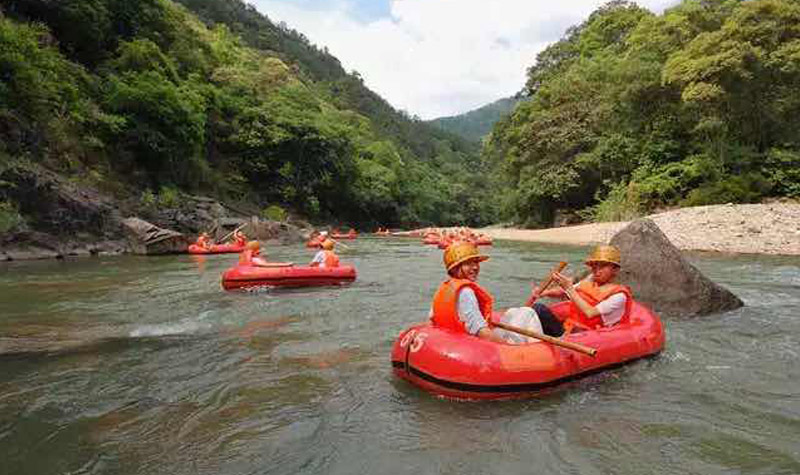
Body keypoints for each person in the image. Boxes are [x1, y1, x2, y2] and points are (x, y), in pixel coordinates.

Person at [429, 241, 551, 344]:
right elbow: (482, 333)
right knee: (528, 312)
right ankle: (538, 352)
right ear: (455, 268)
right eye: (468, 264)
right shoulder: (466, 292)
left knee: (514, 312)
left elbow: (433, 319)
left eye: (476, 262)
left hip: (457, 340)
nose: (475, 267)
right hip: (475, 346)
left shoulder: (447, 287)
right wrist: (511, 348)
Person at [531, 244, 632, 332]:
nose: (597, 270)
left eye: (603, 266)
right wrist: (545, 293)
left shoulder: (619, 296)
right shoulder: (587, 283)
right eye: (594, 266)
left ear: (615, 270)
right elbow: (564, 293)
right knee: (538, 309)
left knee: (539, 309)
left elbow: (590, 312)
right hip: (570, 328)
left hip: (592, 334)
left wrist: (569, 288)